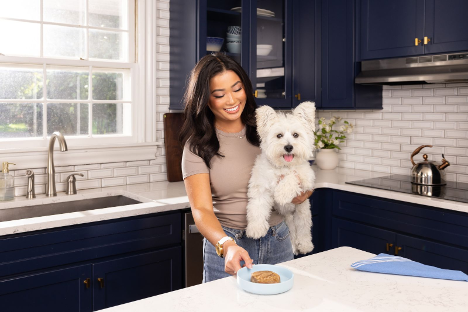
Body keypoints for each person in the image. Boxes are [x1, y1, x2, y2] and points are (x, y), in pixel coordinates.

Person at [179, 53, 313, 283]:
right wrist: (226, 245)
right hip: (228, 245)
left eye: (237, 89)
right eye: (219, 94)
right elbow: (201, 210)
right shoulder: (197, 146)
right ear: (206, 100)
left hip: (279, 239)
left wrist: (302, 190)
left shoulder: (267, 131)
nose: (231, 100)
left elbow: (298, 167)